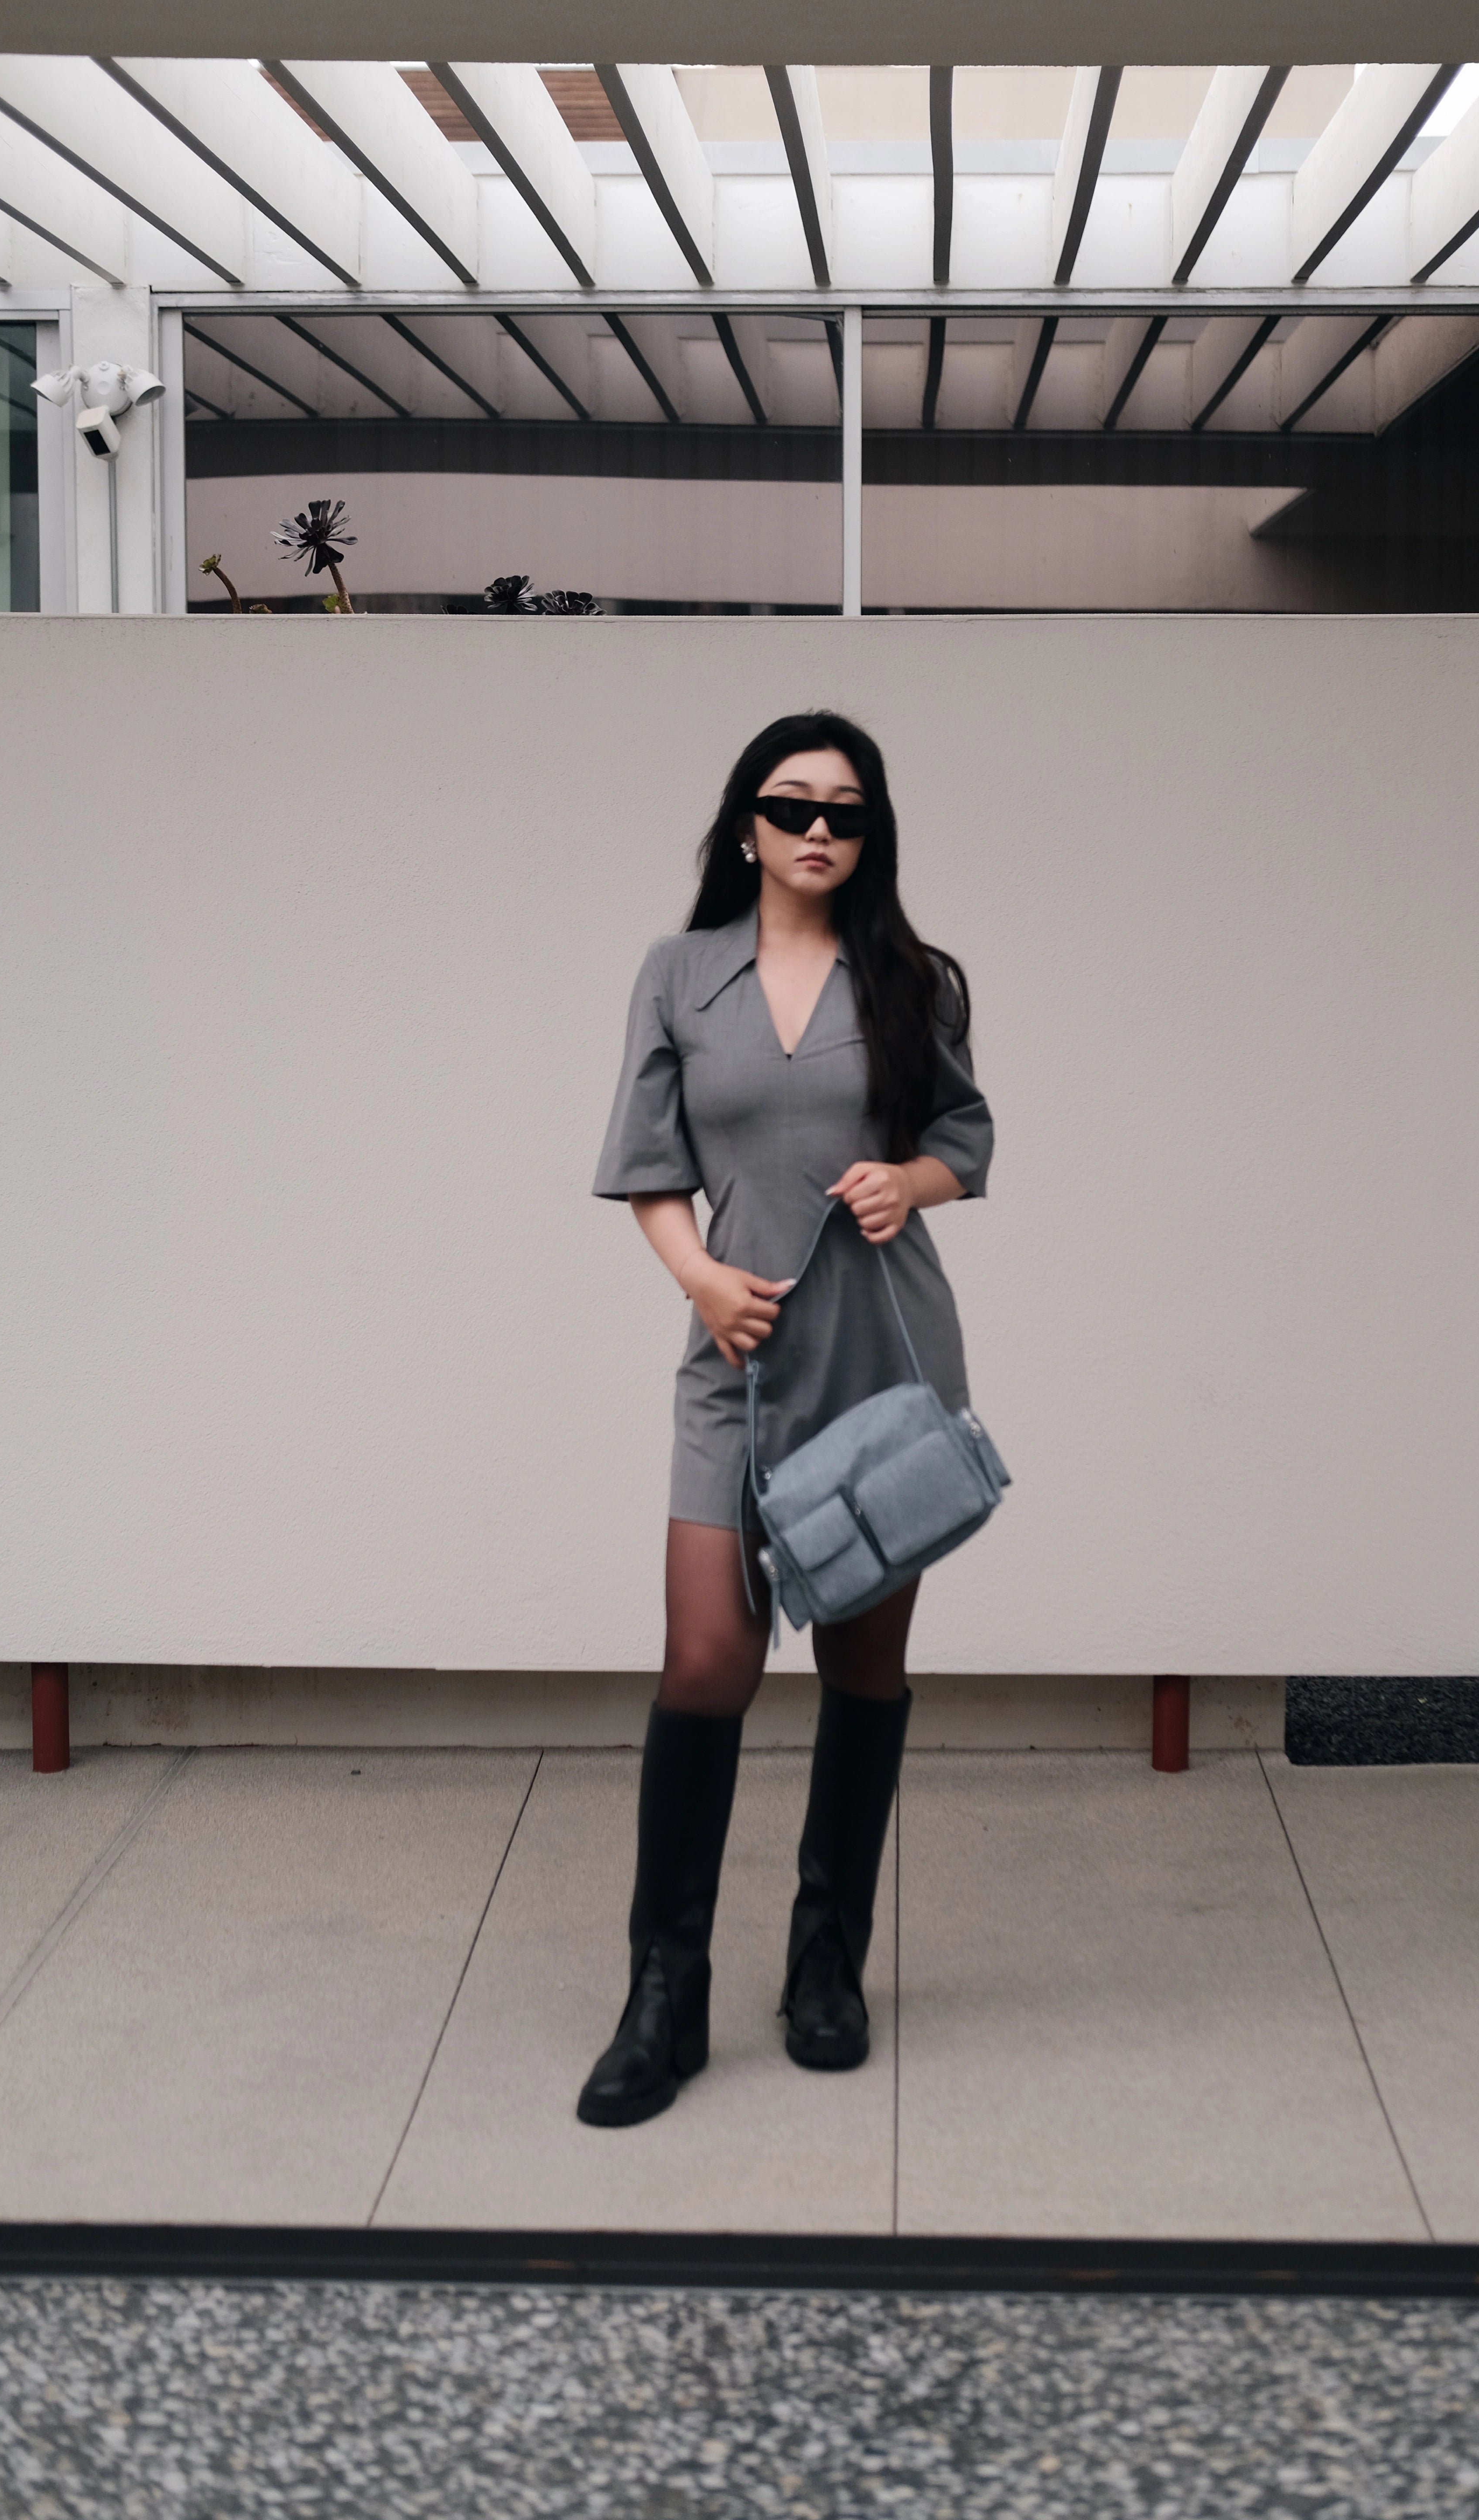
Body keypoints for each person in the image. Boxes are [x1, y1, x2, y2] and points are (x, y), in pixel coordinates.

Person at [578, 710, 993, 2128]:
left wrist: (907, 1186)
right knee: (708, 1661)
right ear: (746, 825)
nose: (821, 829)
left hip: (881, 1358)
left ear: (873, 837)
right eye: (793, 804)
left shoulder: (912, 981)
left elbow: (963, 1141)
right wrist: (699, 1276)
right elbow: (648, 1165)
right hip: (733, 1362)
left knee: (864, 1675)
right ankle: (664, 1994)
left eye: (848, 812)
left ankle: (826, 1967)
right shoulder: (681, 974)